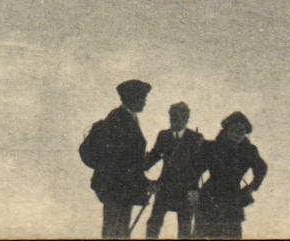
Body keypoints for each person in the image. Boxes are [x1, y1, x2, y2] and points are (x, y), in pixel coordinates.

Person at [79, 79, 153, 239]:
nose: (145, 102)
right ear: (133, 98)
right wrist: (145, 183)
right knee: (115, 231)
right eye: (143, 98)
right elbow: (124, 161)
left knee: (118, 231)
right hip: (116, 188)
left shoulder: (126, 118)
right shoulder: (119, 120)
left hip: (119, 188)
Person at [193, 111, 267, 239]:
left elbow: (261, 168)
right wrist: (193, 189)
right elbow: (196, 169)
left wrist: (251, 187)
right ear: (226, 130)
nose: (238, 134)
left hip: (233, 200)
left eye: (242, 130)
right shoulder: (213, 147)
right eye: (234, 129)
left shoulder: (249, 150)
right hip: (210, 198)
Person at [144, 101, 204, 240]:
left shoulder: (195, 138)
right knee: (153, 223)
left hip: (187, 189)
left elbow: (200, 165)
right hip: (165, 186)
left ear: (186, 119)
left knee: (184, 228)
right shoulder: (163, 135)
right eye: (172, 117)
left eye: (178, 117)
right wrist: (139, 166)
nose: (174, 121)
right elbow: (154, 155)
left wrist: (195, 189)